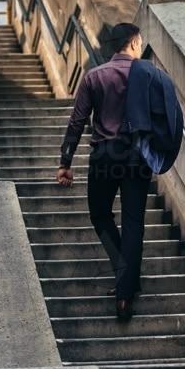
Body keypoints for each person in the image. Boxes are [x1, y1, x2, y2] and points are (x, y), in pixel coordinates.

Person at [56, 23, 152, 322]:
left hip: (104, 155)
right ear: (135, 43)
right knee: (134, 222)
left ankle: (124, 275)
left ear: (112, 46)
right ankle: (126, 290)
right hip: (137, 155)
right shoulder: (149, 75)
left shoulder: (93, 77)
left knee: (100, 215)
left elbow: (77, 122)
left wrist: (66, 161)